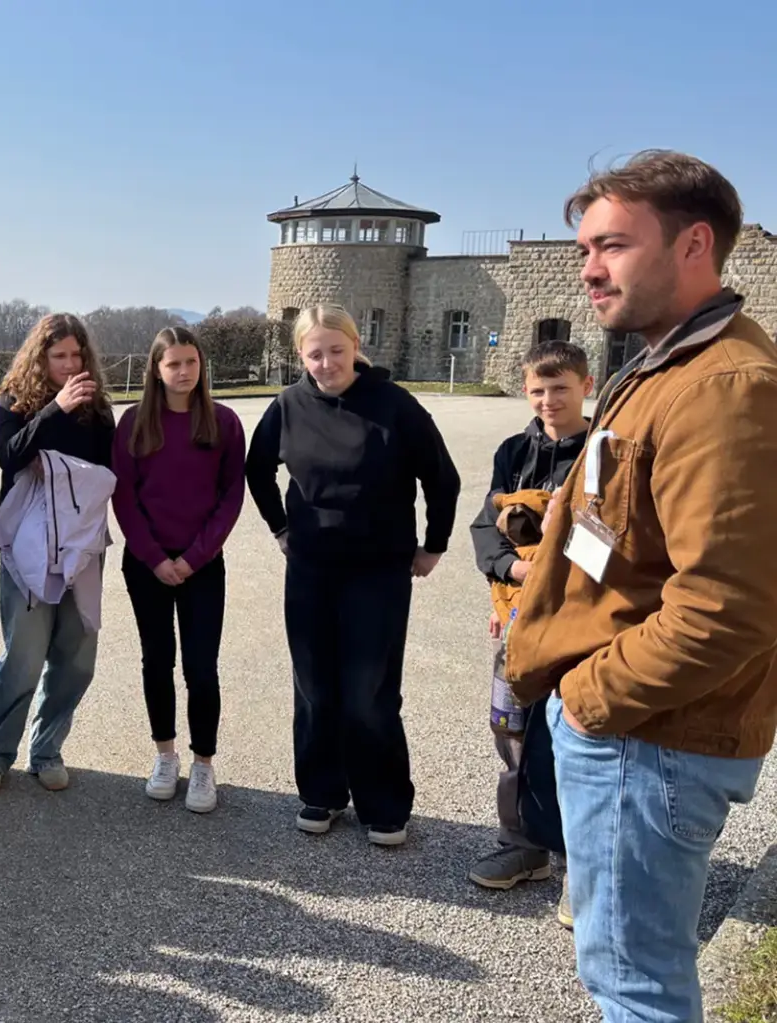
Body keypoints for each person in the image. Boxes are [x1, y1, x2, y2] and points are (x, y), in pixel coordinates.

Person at [506, 150, 777, 1023]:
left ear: (695, 243)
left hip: (645, 737)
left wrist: (589, 697)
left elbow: (729, 605)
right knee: (626, 971)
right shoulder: (669, 363)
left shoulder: (727, 386)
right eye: (585, 247)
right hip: (638, 734)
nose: (587, 267)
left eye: (611, 245)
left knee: (636, 985)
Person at [245, 304, 460, 846]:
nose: (326, 363)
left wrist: (433, 544)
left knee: (369, 689)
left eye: (336, 350)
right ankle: (321, 792)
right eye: (314, 353)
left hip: (379, 569)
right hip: (313, 567)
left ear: (355, 346)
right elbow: (257, 469)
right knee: (315, 684)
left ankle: (383, 802)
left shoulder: (395, 405)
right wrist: (280, 529)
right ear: (301, 355)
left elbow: (442, 477)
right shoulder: (289, 406)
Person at [466, 340, 591, 924]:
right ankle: (523, 845)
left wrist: (549, 566)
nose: (548, 400)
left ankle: (579, 869)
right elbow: (485, 527)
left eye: (560, 388)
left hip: (578, 624)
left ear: (586, 386)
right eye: (538, 390)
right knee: (512, 734)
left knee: (573, 742)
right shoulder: (512, 450)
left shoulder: (601, 453)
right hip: (518, 620)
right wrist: (513, 570)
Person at [0, 312, 116, 794]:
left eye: (77, 355)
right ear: (41, 357)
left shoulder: (97, 409)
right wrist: (54, 408)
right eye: (59, 356)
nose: (71, 364)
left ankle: (47, 747)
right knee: (26, 654)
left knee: (77, 655)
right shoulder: (13, 401)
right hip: (28, 544)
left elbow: (108, 472)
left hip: (83, 543)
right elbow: (9, 457)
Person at [112, 326, 245, 814]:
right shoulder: (132, 425)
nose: (184, 372)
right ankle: (165, 756)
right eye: (174, 364)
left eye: (192, 362)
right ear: (156, 368)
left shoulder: (224, 423)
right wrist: (154, 558)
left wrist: (194, 557)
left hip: (203, 565)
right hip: (147, 564)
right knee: (157, 660)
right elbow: (123, 497)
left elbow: (231, 496)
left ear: (201, 366)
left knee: (201, 667)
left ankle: (203, 764)